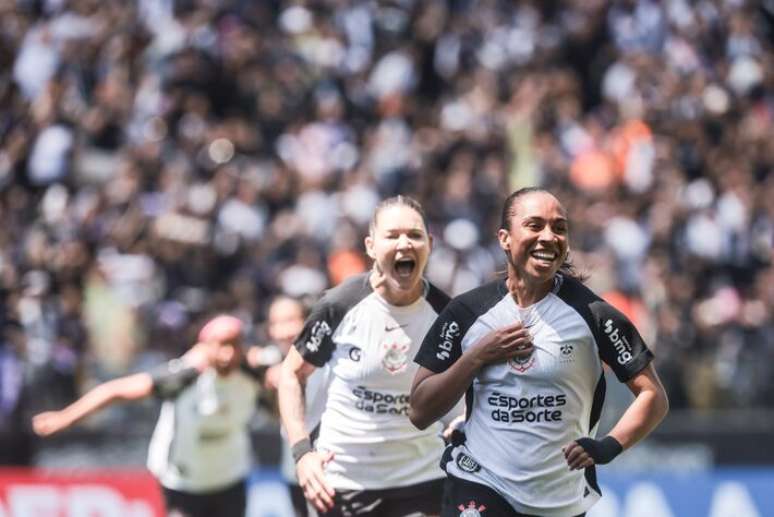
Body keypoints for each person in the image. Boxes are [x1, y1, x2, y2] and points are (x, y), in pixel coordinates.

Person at [410, 187, 669, 517]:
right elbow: (419, 410)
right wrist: (476, 357)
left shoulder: (593, 315)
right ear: (505, 238)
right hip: (480, 481)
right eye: (535, 225)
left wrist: (607, 446)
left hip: (559, 500)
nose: (549, 236)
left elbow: (653, 396)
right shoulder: (467, 312)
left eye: (559, 228)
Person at [279, 195, 451, 516]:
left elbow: (468, 384)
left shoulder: (445, 313)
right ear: (371, 247)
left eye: (414, 235)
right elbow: (291, 374)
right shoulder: (339, 305)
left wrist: (464, 422)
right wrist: (303, 453)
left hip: (423, 478)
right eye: (392, 235)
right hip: (346, 480)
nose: (405, 243)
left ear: (429, 244)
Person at [32, 315, 266, 517]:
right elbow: (114, 391)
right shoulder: (181, 377)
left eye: (235, 344)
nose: (229, 354)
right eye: (221, 345)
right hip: (183, 483)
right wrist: (66, 417)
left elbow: (286, 375)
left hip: (231, 479)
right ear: (204, 346)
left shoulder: (253, 375)